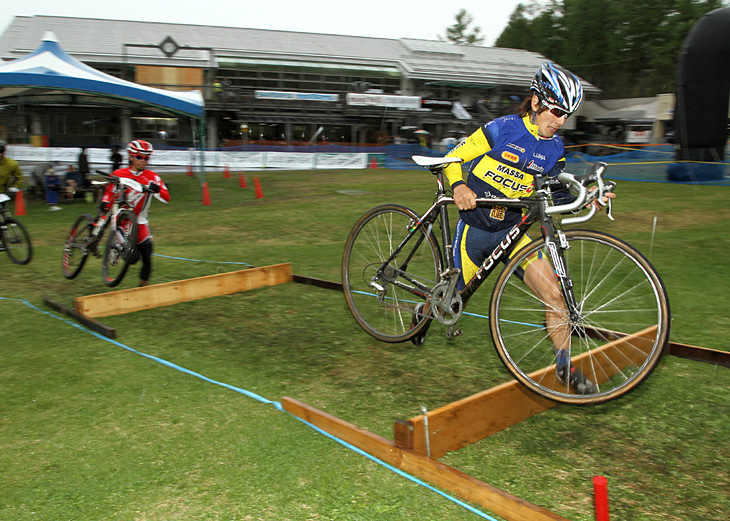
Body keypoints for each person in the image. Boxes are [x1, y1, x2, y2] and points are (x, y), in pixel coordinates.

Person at [413, 62, 614, 394]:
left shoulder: (555, 149)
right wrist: (459, 187)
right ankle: (421, 312)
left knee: (555, 295)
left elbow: (554, 190)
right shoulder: (502, 129)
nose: (561, 120)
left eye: (567, 114)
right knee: (449, 303)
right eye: (556, 111)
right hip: (474, 231)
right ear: (536, 102)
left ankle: (565, 368)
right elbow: (452, 158)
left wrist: (588, 195)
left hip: (512, 233)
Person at [98, 140, 170, 287]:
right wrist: (105, 202)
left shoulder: (152, 177)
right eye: (139, 157)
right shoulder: (119, 173)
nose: (143, 161)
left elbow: (167, 198)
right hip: (121, 221)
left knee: (147, 257)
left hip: (141, 222)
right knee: (132, 259)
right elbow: (109, 192)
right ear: (131, 157)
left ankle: (143, 286)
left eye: (146, 158)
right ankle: (115, 249)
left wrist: (157, 189)